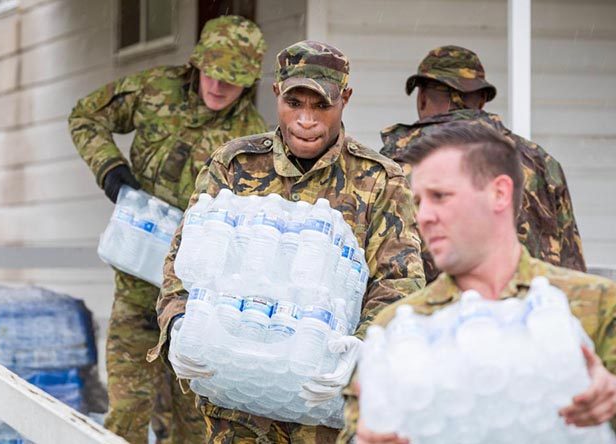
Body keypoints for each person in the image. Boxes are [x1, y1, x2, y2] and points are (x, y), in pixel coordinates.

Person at [146, 40, 425, 444]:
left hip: (325, 412)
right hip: (237, 409)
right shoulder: (235, 165)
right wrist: (178, 326)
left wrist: (360, 353)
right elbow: (182, 261)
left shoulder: (379, 180)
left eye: (321, 106)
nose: (306, 120)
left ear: (345, 99)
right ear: (276, 94)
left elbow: (399, 282)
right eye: (294, 103)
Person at [342, 121, 616, 444]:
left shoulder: (594, 305)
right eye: (418, 202)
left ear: (499, 193)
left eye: (440, 196)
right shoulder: (399, 328)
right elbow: (355, 432)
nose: (423, 216)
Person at [67, 15, 268, 443]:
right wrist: (111, 170)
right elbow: (85, 116)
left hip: (198, 307)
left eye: (230, 81)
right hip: (137, 293)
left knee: (193, 428)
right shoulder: (157, 89)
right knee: (126, 417)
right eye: (211, 74)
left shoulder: (252, 137)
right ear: (198, 65)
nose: (216, 87)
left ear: (248, 82)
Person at [379, 45, 585, 282]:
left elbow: (380, 270)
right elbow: (572, 268)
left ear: (422, 98)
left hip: (436, 313)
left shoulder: (397, 164)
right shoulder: (542, 163)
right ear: (482, 100)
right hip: (534, 311)